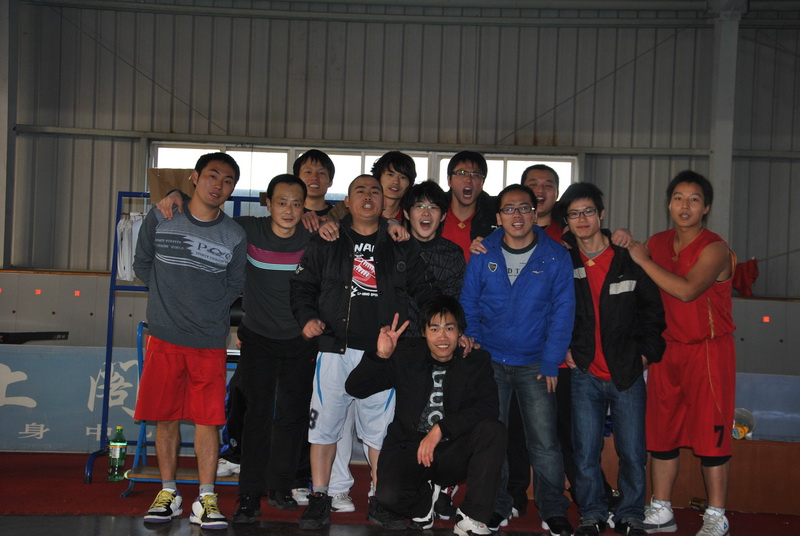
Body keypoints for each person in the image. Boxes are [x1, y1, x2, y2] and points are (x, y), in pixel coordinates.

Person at [156, 175, 320, 521]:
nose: (289, 210)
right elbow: (207, 210)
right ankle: (249, 495)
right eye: (281, 202)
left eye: (296, 203)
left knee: (292, 415)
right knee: (257, 415)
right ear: (267, 203)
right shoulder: (247, 230)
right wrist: (176, 194)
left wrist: (330, 220)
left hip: (300, 340)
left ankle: (281, 487)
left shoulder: (313, 235)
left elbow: (351, 226)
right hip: (258, 337)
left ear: (305, 207)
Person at [290, 174, 435, 530]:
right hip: (334, 349)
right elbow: (302, 285)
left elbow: (425, 290)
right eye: (360, 190)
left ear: (385, 202)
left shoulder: (400, 243)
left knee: (380, 434)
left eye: (375, 191)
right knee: (324, 429)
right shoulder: (327, 238)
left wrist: (443, 327)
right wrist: (307, 318)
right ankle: (320, 497)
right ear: (348, 200)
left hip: (382, 354)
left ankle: (379, 499)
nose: (368, 196)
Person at [133, 152, 247, 530]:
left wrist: (206, 310)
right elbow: (142, 263)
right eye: (212, 176)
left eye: (228, 180)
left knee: (207, 421)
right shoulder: (163, 216)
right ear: (195, 178)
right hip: (164, 337)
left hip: (208, 342)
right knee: (165, 418)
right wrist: (169, 301)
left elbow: (235, 284)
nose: (219, 185)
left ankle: (206, 497)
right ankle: (168, 493)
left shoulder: (234, 234)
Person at [459, 184, 575, 536]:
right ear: (499, 217)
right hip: (491, 361)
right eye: (509, 209)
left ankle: (553, 507)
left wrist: (552, 360)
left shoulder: (555, 256)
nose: (517, 215)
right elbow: (469, 302)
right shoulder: (483, 252)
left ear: (535, 213)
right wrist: (474, 344)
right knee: (493, 440)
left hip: (535, 364)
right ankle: (497, 504)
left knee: (544, 442)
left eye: (524, 208)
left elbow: (563, 311)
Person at [628, 171, 736, 536]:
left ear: (706, 208)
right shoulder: (657, 243)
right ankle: (661, 509)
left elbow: (687, 291)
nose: (684, 205)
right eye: (678, 198)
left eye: (694, 199)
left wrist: (643, 261)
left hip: (708, 352)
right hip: (667, 351)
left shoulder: (715, 248)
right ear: (669, 204)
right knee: (662, 434)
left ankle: (717, 515)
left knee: (712, 436)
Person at [345, 296, 505, 536]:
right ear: (423, 332)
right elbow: (355, 388)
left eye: (449, 328)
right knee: (388, 496)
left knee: (493, 430)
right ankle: (423, 504)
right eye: (435, 329)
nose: (442, 337)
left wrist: (441, 429)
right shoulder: (406, 355)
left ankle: (472, 517)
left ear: (460, 332)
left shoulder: (474, 361)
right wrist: (380, 355)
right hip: (409, 446)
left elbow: (489, 407)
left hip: (452, 449)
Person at [559, 183, 666, 536]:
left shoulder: (628, 257)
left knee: (632, 452)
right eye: (574, 214)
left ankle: (631, 514)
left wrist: (646, 355)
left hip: (627, 372)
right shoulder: (565, 259)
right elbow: (553, 309)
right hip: (584, 372)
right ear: (567, 221)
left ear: (601, 214)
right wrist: (565, 349)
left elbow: (654, 313)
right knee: (585, 452)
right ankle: (591, 513)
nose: (582, 219)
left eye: (588, 211)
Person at [403, 180, 466, 336]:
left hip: (438, 339)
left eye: (433, 207)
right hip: (396, 338)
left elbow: (453, 305)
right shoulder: (394, 249)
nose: (426, 213)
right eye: (419, 206)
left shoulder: (453, 254)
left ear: (443, 215)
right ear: (406, 214)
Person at [441, 151, 497, 261]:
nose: (468, 180)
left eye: (476, 175)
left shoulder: (495, 216)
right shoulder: (435, 212)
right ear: (449, 180)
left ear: (482, 182)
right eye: (461, 173)